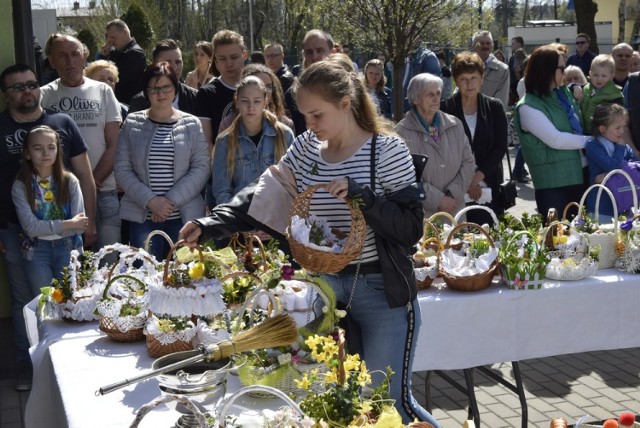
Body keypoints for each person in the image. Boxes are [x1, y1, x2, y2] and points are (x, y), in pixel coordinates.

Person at [179, 60, 441, 427]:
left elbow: (410, 228)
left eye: (317, 115)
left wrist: (363, 197)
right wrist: (209, 225)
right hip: (325, 291)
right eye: (304, 116)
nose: (309, 125)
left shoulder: (387, 151)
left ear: (346, 103)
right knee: (341, 399)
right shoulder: (305, 148)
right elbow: (263, 196)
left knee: (390, 402)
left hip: (383, 292)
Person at [0, 64, 95, 391]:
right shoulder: (0, 131)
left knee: (71, 297)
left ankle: (71, 366)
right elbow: (34, 224)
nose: (26, 91)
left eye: (31, 84)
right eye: (17, 87)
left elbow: (84, 177)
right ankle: (32, 369)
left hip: (67, 244)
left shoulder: (62, 123)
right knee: (28, 302)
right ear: (6, 94)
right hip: (18, 237)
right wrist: (70, 224)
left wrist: (86, 224)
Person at [115, 63, 209, 260]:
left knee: (181, 278)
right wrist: (151, 201)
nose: (161, 93)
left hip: (182, 218)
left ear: (175, 89)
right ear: (146, 92)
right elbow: (122, 170)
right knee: (145, 277)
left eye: (166, 87)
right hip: (142, 217)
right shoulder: (132, 123)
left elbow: (201, 168)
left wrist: (169, 202)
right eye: (154, 88)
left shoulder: (192, 123)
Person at [40, 34, 122, 251]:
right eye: (62, 56)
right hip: (62, 196)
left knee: (110, 264)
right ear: (51, 60)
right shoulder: (44, 96)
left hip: (105, 191)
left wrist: (90, 183)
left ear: (85, 56)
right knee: (73, 269)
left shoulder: (103, 91)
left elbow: (115, 143)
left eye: (75, 54)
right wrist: (80, 190)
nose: (70, 61)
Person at [12, 126, 87, 303]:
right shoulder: (21, 185)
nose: (45, 152)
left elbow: (80, 224)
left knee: (70, 301)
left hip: (68, 247)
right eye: (38, 148)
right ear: (27, 153)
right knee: (44, 303)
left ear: (58, 150)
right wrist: (68, 223)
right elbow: (31, 228)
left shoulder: (70, 181)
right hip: (36, 250)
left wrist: (67, 226)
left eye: (51, 147)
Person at [514, 45, 589, 218]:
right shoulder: (528, 106)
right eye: (561, 68)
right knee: (558, 239)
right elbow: (556, 139)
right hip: (553, 185)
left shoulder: (562, 95)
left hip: (580, 175)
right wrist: (592, 140)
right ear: (546, 70)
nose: (565, 72)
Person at [441, 52, 508, 226]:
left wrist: (477, 177)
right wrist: (467, 182)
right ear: (456, 80)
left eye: (473, 78)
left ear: (482, 79)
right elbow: (444, 150)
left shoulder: (494, 107)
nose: (469, 84)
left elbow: (500, 147)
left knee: (487, 242)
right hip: (454, 190)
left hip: (488, 186)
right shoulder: (445, 108)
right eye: (463, 79)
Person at [396, 73, 475, 219]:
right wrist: (437, 200)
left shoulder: (455, 124)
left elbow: (468, 162)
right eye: (429, 94)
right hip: (423, 215)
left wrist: (452, 194)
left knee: (458, 242)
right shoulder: (401, 132)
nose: (435, 98)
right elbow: (404, 177)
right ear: (414, 99)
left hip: (455, 208)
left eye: (438, 93)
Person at [212, 76, 294, 206]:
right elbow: (222, 191)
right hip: (240, 217)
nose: (251, 107)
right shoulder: (224, 141)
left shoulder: (284, 135)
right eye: (245, 101)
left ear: (265, 101)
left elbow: (293, 182)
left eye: (256, 101)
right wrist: (234, 221)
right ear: (237, 101)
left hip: (277, 214)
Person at [195, 30, 248, 150]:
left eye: (234, 57)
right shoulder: (206, 94)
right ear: (215, 60)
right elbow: (206, 143)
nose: (229, 63)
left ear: (244, 55)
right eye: (222, 58)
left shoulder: (257, 87)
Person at [585, 104, 637, 217]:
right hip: (601, 208)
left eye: (624, 127)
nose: (622, 131)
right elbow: (612, 167)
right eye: (618, 128)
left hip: (623, 208)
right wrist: (614, 172)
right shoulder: (593, 146)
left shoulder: (623, 147)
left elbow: (636, 167)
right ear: (603, 129)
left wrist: (610, 175)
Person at [217, 63, 294, 133]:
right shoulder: (228, 124)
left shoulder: (285, 125)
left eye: (268, 86)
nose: (264, 90)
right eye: (258, 85)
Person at [284, 29, 335, 136]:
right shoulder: (293, 94)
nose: (314, 57)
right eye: (309, 52)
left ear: (332, 52)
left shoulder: (345, 88)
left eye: (320, 50)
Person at [129, 39, 198, 116]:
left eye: (178, 62)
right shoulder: (140, 102)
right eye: (167, 62)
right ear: (155, 64)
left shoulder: (195, 98)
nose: (174, 67)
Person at [97, 19, 146, 104]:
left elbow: (116, 79)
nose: (111, 41)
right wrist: (104, 56)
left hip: (129, 105)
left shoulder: (135, 53)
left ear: (125, 32)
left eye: (113, 37)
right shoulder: (117, 52)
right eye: (109, 39)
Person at [574, 54, 624, 135]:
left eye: (604, 76)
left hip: (603, 135)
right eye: (595, 75)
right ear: (590, 74)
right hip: (584, 132)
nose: (599, 79)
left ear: (612, 76)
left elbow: (617, 119)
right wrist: (574, 86)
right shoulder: (586, 88)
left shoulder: (614, 95)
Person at [473, 30, 510, 107]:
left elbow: (501, 101)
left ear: (492, 46)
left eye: (488, 43)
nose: (485, 46)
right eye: (482, 43)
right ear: (474, 46)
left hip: (491, 117)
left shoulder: (502, 70)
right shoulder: (466, 68)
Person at [509, 36, 525, 105]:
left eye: (513, 43)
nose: (511, 45)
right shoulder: (512, 59)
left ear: (519, 44)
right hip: (513, 89)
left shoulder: (526, 59)